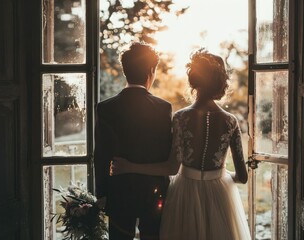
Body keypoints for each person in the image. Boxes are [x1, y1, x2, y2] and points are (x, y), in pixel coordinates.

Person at [113, 48, 252, 240]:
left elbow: (171, 167)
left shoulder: (181, 118)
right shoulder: (231, 121)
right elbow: (243, 177)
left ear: (193, 80)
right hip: (221, 196)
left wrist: (130, 166)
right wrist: (222, 176)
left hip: (185, 193)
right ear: (220, 83)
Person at [94, 42, 172, 240]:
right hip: (154, 192)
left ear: (124, 70)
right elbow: (166, 154)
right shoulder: (163, 108)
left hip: (119, 191)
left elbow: (101, 155)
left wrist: (101, 193)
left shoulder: (105, 108)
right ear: (151, 70)